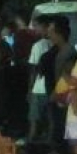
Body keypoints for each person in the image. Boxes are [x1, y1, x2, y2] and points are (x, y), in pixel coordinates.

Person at [42, 16, 77, 154]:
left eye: (51, 32)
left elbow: (67, 76)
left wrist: (53, 96)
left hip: (64, 98)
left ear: (59, 34)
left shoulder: (68, 53)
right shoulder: (60, 51)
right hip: (60, 97)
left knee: (61, 128)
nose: (49, 35)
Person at [24, 15, 53, 145]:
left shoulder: (38, 46)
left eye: (36, 26)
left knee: (34, 119)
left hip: (39, 87)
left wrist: (30, 89)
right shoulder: (56, 44)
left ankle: (30, 143)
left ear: (44, 26)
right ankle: (49, 144)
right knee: (50, 119)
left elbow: (34, 70)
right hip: (53, 86)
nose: (34, 29)